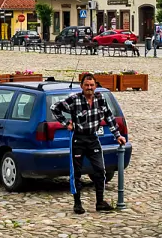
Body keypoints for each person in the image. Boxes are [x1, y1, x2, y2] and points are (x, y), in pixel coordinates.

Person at [55, 73, 128, 215]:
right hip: (78, 139)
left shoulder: (100, 99)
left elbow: (109, 117)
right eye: (86, 85)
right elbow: (55, 108)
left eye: (92, 85)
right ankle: (77, 203)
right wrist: (66, 123)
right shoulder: (74, 99)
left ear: (95, 86)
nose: (89, 88)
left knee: (100, 170)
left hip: (93, 139)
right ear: (81, 86)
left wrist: (118, 136)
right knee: (76, 172)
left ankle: (100, 202)